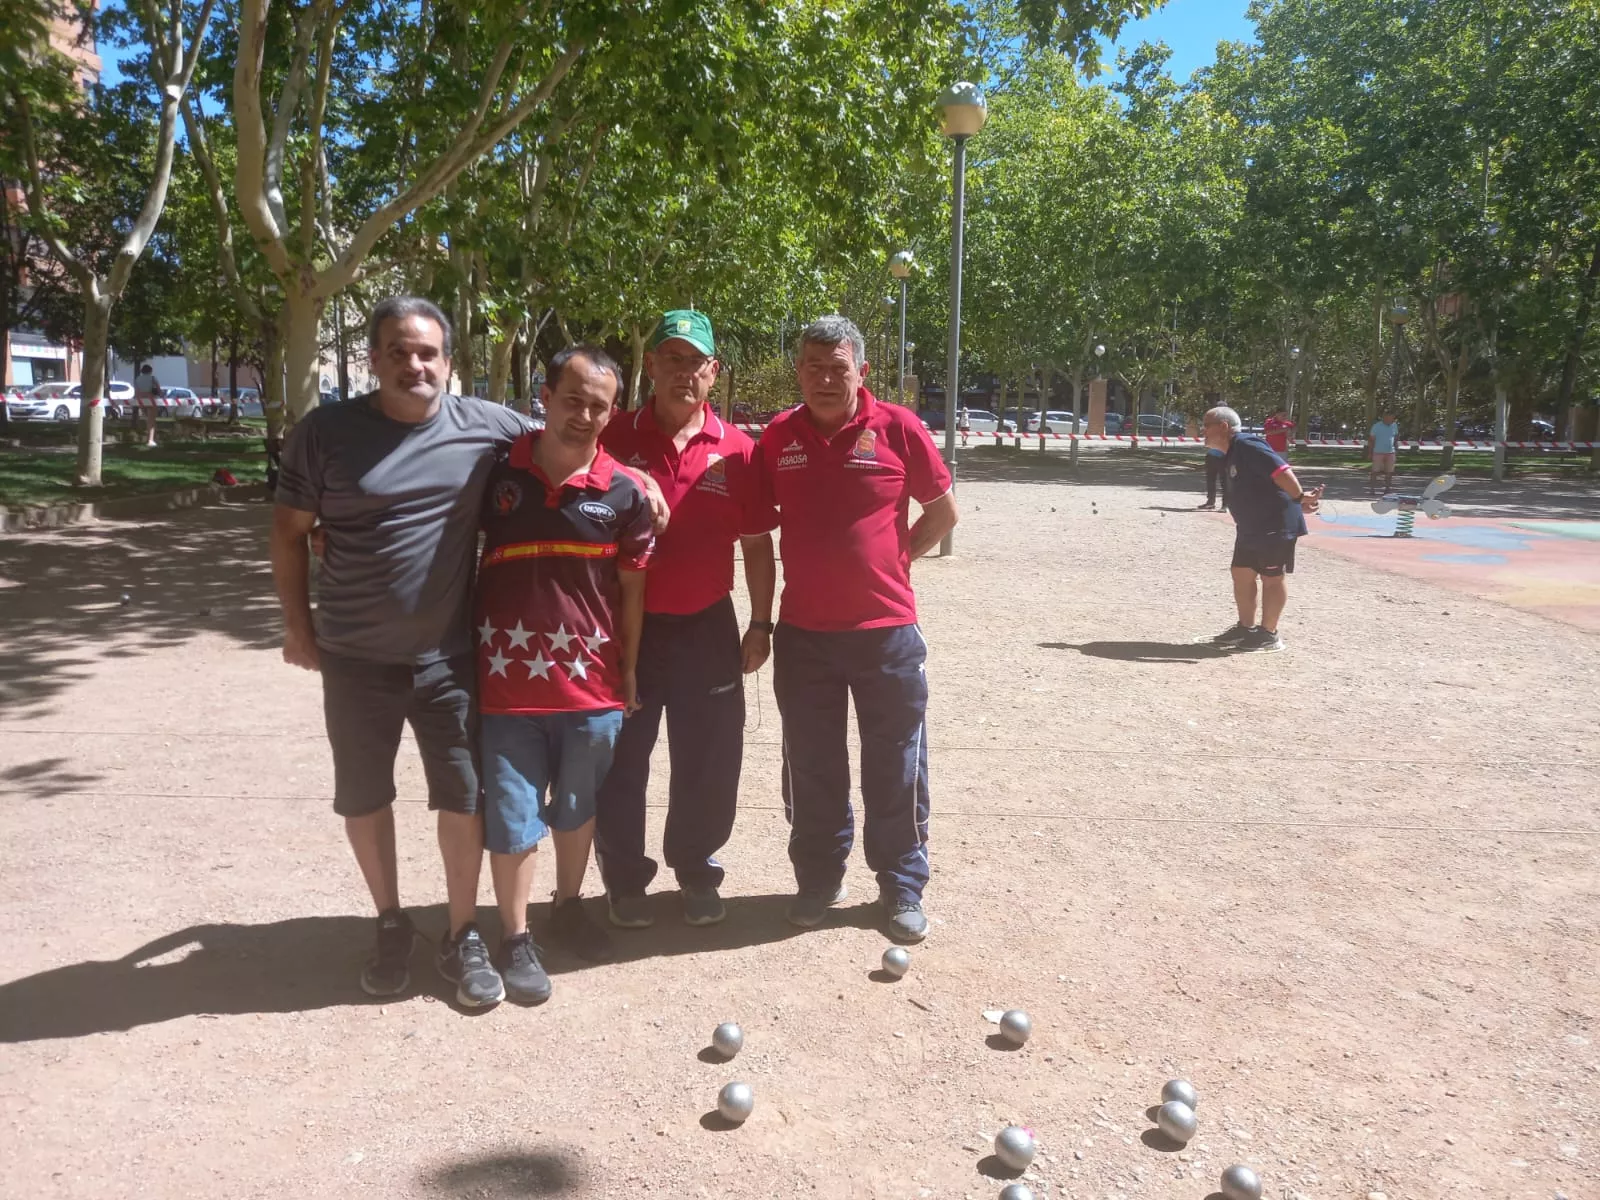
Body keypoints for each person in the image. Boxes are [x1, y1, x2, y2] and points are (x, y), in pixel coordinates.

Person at [270, 296, 539, 1009]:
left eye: (427, 353)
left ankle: (460, 933)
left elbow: (577, 444)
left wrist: (637, 483)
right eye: (398, 351)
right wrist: (299, 626)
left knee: (465, 795)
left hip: (448, 657)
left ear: (449, 363)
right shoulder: (324, 434)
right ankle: (390, 921)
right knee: (365, 795)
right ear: (374, 359)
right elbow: (289, 531)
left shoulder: (487, 426)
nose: (413, 364)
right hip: (353, 657)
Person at [756, 315, 959, 943]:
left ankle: (901, 884)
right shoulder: (777, 438)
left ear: (861, 371)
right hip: (804, 637)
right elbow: (758, 527)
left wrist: (897, 559)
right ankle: (819, 878)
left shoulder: (897, 426)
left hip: (887, 636)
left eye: (837, 368)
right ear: (798, 371)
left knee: (896, 765)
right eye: (812, 367)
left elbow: (943, 511)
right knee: (813, 765)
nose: (823, 378)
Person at [474, 345, 654, 1002]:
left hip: (592, 688)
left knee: (577, 810)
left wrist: (629, 670)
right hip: (505, 688)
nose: (582, 415)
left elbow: (632, 593)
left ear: (613, 414)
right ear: (543, 396)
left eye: (598, 406)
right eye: (571, 399)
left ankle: (570, 904)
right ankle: (515, 938)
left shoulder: (624, 493)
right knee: (514, 817)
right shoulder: (494, 475)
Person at [594, 311, 777, 930]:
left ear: (713, 372)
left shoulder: (740, 450)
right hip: (627, 628)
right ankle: (624, 880)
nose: (682, 371)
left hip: (708, 625)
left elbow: (756, 544)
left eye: (694, 361)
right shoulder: (612, 434)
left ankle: (696, 869)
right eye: (671, 358)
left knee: (709, 757)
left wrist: (761, 622)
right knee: (622, 758)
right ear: (651, 366)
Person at [1203, 405, 1322, 653]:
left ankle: (1269, 634)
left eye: (1206, 425)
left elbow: (1280, 471)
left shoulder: (1247, 444)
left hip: (1273, 525)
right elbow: (1264, 485)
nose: (1202, 431)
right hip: (1251, 526)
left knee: (1272, 577)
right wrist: (1295, 501)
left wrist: (1299, 499)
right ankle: (1246, 628)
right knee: (1241, 572)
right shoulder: (1231, 453)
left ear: (1223, 427)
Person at [1369, 410, 1400, 494]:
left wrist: (1396, 449)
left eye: (1393, 419)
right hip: (1378, 452)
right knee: (1375, 471)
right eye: (1390, 419)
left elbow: (1396, 437)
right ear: (1384, 418)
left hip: (1390, 452)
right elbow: (1371, 440)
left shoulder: (1394, 425)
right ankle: (1372, 489)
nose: (1392, 420)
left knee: (1389, 472)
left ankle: (1387, 489)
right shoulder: (1376, 426)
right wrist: (1370, 452)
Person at [133, 364, 161, 446]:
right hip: (150, 399)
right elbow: (159, 390)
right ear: (150, 371)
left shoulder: (138, 379)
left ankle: (151, 438)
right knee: (151, 420)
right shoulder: (152, 378)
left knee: (147, 420)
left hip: (141, 400)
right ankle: (150, 440)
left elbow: (137, 390)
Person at [1199, 435, 1228, 511]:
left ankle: (1225, 505)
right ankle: (1210, 502)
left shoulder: (1226, 432)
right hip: (1211, 456)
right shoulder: (1212, 431)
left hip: (1223, 458)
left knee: (1224, 482)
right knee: (1210, 481)